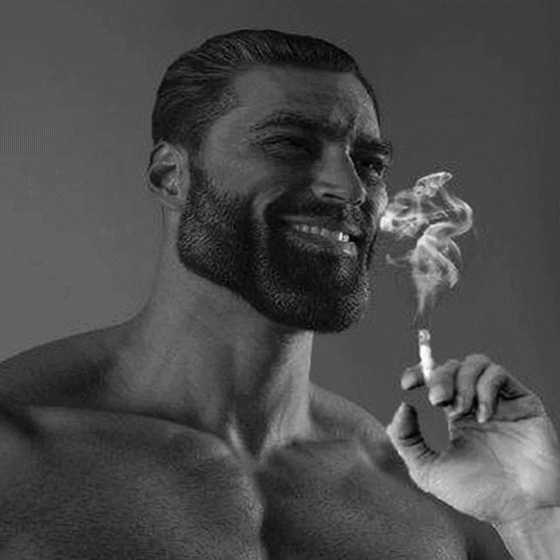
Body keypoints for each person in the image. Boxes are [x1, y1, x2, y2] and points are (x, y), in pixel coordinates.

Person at [0, 29, 558, 559]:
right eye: (289, 144)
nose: (349, 189)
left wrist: (532, 521)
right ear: (172, 176)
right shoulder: (18, 449)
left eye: (369, 164)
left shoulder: (416, 489)